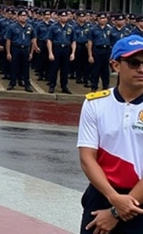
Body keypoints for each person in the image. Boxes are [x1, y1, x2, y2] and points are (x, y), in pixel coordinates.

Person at [77, 35, 143, 233]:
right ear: (115, 65)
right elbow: (87, 158)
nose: (141, 69)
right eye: (133, 63)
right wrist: (114, 200)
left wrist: (115, 212)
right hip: (101, 196)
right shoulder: (95, 103)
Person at [4, 9, 36, 92]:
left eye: (25, 16)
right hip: (15, 48)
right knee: (14, 67)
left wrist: (31, 52)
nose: (23, 17)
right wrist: (8, 52)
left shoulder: (30, 27)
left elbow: (33, 39)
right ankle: (12, 83)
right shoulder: (12, 26)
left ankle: (27, 84)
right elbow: (8, 40)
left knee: (26, 68)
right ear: (18, 17)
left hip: (25, 49)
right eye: (21, 16)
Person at [46, 9, 76, 94]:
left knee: (65, 69)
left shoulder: (70, 27)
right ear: (58, 17)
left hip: (66, 49)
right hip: (56, 48)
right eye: (62, 16)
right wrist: (50, 52)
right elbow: (49, 40)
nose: (64, 18)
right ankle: (52, 85)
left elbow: (73, 41)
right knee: (54, 69)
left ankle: (64, 86)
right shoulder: (53, 27)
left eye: (65, 16)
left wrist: (73, 53)